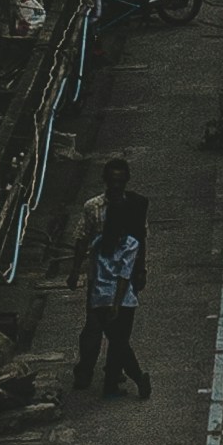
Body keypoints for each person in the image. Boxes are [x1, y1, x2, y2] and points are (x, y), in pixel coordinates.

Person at [75, 166, 152, 403]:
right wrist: (117, 302)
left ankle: (112, 381)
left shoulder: (99, 242)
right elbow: (124, 276)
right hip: (119, 297)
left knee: (114, 338)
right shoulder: (129, 244)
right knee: (119, 340)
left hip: (99, 294)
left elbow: (89, 253)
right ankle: (135, 377)